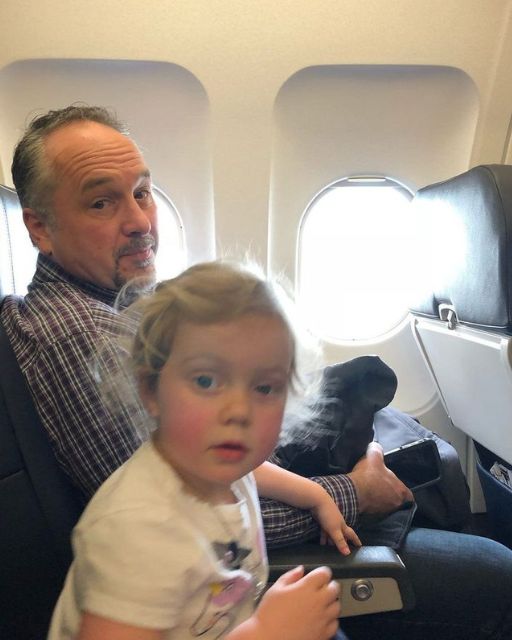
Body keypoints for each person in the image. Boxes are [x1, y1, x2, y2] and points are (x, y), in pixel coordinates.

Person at [2, 105, 512, 640]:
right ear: (40, 228)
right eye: (101, 202)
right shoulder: (85, 348)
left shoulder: (132, 313)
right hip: (219, 602)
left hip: (232, 595)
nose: (139, 221)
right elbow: (187, 523)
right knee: (496, 576)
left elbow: (213, 467)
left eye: (142, 193)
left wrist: (320, 493)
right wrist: (351, 497)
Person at [47, 260, 356, 640]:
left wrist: (316, 495)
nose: (239, 410)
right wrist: (266, 632)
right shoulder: (137, 528)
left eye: (264, 388)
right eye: (206, 381)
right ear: (150, 390)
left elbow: (251, 472)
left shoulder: (209, 462)